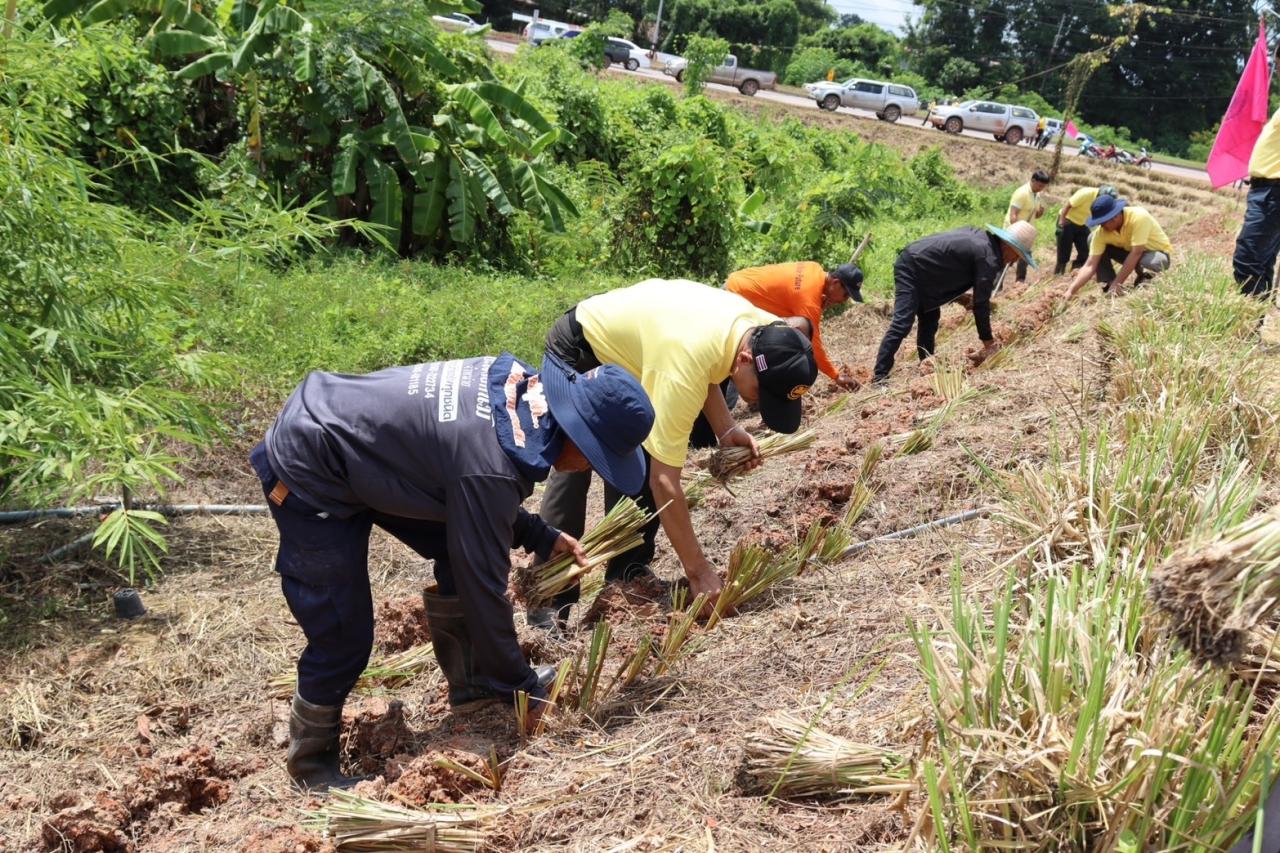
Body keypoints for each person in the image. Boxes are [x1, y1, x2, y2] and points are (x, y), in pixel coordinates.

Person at [251, 353, 654, 789]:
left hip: (359, 443)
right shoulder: (492, 461)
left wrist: (539, 534)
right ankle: (311, 766)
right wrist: (521, 685)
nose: (595, 468)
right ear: (579, 433)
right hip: (309, 463)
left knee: (451, 545)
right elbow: (482, 579)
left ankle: (475, 687)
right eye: (600, 457)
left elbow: (466, 485)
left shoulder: (518, 394)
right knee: (343, 632)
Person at [534, 279, 819, 625]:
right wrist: (698, 571)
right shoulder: (685, 358)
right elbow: (665, 483)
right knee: (575, 464)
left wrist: (726, 428)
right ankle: (548, 598)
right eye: (763, 392)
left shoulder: (759, 330)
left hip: (645, 357)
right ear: (746, 359)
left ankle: (625, 579)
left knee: (638, 463)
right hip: (583, 350)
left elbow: (709, 366)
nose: (760, 402)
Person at [872, 221, 1038, 383]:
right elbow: (981, 304)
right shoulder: (988, 258)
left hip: (926, 269)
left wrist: (960, 296)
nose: (1013, 261)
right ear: (1008, 246)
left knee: (930, 319)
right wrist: (988, 343)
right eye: (1016, 256)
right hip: (913, 267)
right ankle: (880, 377)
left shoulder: (984, 241)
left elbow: (951, 264)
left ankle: (927, 366)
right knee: (902, 322)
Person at [725, 261, 864, 389]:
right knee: (733, 359)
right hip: (734, 299)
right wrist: (836, 376)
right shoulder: (808, 299)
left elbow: (793, 296)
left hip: (737, 283)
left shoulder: (814, 268)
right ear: (835, 282)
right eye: (846, 295)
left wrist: (819, 304)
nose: (844, 300)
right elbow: (812, 344)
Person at [1063, 195, 1173, 299]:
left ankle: (1146, 277)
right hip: (1130, 253)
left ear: (1114, 217)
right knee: (1092, 237)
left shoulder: (1139, 217)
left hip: (1154, 254)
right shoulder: (1101, 233)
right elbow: (1090, 265)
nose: (1101, 226)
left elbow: (1136, 253)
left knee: (1155, 261)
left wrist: (1118, 283)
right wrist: (1071, 291)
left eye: (1102, 222)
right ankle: (1109, 283)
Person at [1233, 104, 1280, 300]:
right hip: (1268, 191)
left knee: (1248, 259)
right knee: (1260, 262)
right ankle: (1251, 326)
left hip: (1272, 192)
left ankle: (1247, 321)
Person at [1055, 184, 1116, 275]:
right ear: (1099, 195)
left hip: (1082, 224)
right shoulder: (1086, 193)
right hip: (1068, 220)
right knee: (1064, 250)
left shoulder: (1104, 203)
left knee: (1087, 250)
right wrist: (1061, 221)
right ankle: (1058, 274)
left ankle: (1075, 270)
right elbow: (1068, 205)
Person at [1005, 170, 1050, 283]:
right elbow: (1013, 215)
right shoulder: (1022, 193)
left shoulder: (1037, 194)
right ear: (1033, 181)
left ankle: (1020, 282)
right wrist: (1016, 234)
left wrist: (1041, 211)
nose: (1041, 188)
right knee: (1006, 259)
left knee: (1024, 258)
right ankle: (996, 286)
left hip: (1026, 233)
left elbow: (1036, 215)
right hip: (1014, 230)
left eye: (1044, 186)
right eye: (1040, 185)